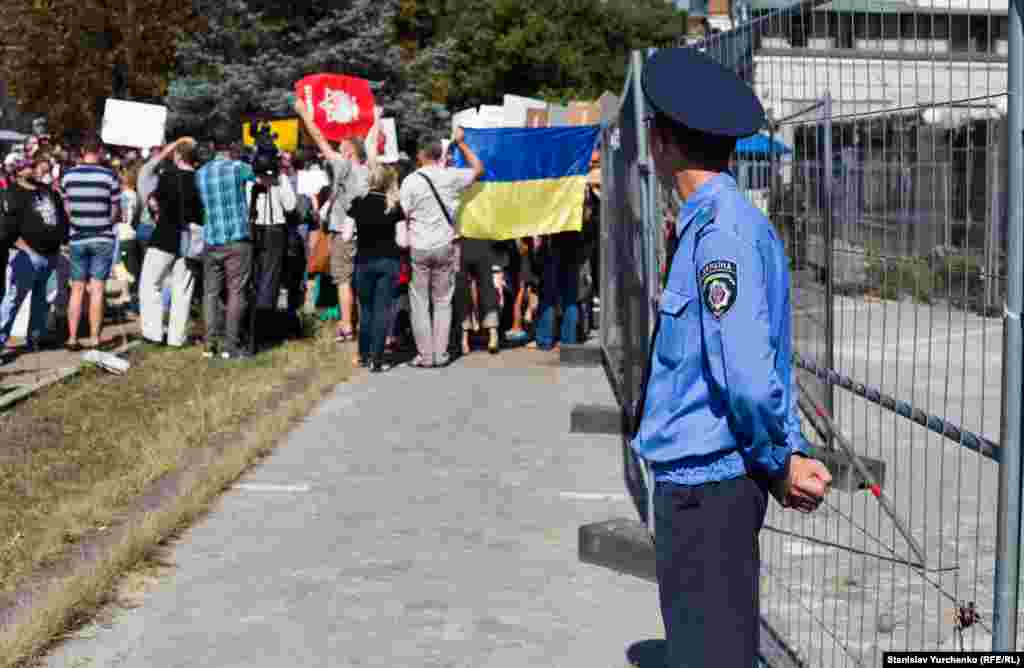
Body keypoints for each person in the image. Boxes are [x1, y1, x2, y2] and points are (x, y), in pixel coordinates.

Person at [630, 48, 832, 668]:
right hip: (703, 485)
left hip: (708, 490)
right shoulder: (714, 223)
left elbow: (745, 375)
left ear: (662, 140)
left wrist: (780, 460)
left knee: (709, 653)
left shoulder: (721, 235)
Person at [398, 128, 484, 368]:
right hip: (445, 245)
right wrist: (461, 144)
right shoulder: (451, 176)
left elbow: (403, 214)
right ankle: (441, 353)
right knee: (443, 300)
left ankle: (425, 355)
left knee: (419, 302)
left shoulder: (410, 181)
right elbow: (479, 169)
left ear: (420, 155)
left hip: (419, 247)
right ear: (439, 153)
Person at [0, 156, 69, 351]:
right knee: (13, 300)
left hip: (52, 254)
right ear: (18, 170)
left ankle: (36, 338)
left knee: (42, 300)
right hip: (27, 256)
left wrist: (62, 239)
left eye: (34, 165)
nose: (34, 168)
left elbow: (61, 216)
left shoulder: (46, 190)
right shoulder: (11, 193)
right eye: (29, 166)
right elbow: (7, 229)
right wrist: (27, 250)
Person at [195, 142, 256, 360]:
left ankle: (209, 344)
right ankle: (231, 345)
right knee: (236, 292)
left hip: (212, 238)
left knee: (210, 293)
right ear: (231, 147)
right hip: (236, 238)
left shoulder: (200, 173)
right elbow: (258, 175)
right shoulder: (238, 168)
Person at [139, 137, 202, 348]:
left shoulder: (167, 177)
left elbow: (149, 176)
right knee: (182, 290)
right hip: (190, 239)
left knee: (150, 284)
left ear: (178, 155)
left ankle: (153, 333)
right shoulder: (199, 179)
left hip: (165, 235)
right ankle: (177, 338)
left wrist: (171, 146)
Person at [60, 137, 121, 350]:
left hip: (77, 237)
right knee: (97, 288)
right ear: (100, 151)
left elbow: (67, 210)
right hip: (102, 236)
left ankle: (72, 337)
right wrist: (104, 222)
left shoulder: (68, 176)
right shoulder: (109, 176)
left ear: (82, 150)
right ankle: (95, 338)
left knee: (77, 288)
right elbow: (115, 211)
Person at [350, 164, 405, 372]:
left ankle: (363, 355)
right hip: (388, 261)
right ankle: (377, 359)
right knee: (382, 310)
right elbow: (402, 241)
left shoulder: (358, 203)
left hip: (364, 260)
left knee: (365, 309)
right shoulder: (394, 206)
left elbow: (346, 235)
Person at [245, 149, 297, 348]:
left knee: (257, 278)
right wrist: (280, 181)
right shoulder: (279, 179)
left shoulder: (249, 180)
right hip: (273, 230)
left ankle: (256, 326)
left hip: (255, 229)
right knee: (270, 279)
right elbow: (290, 205)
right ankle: (264, 327)